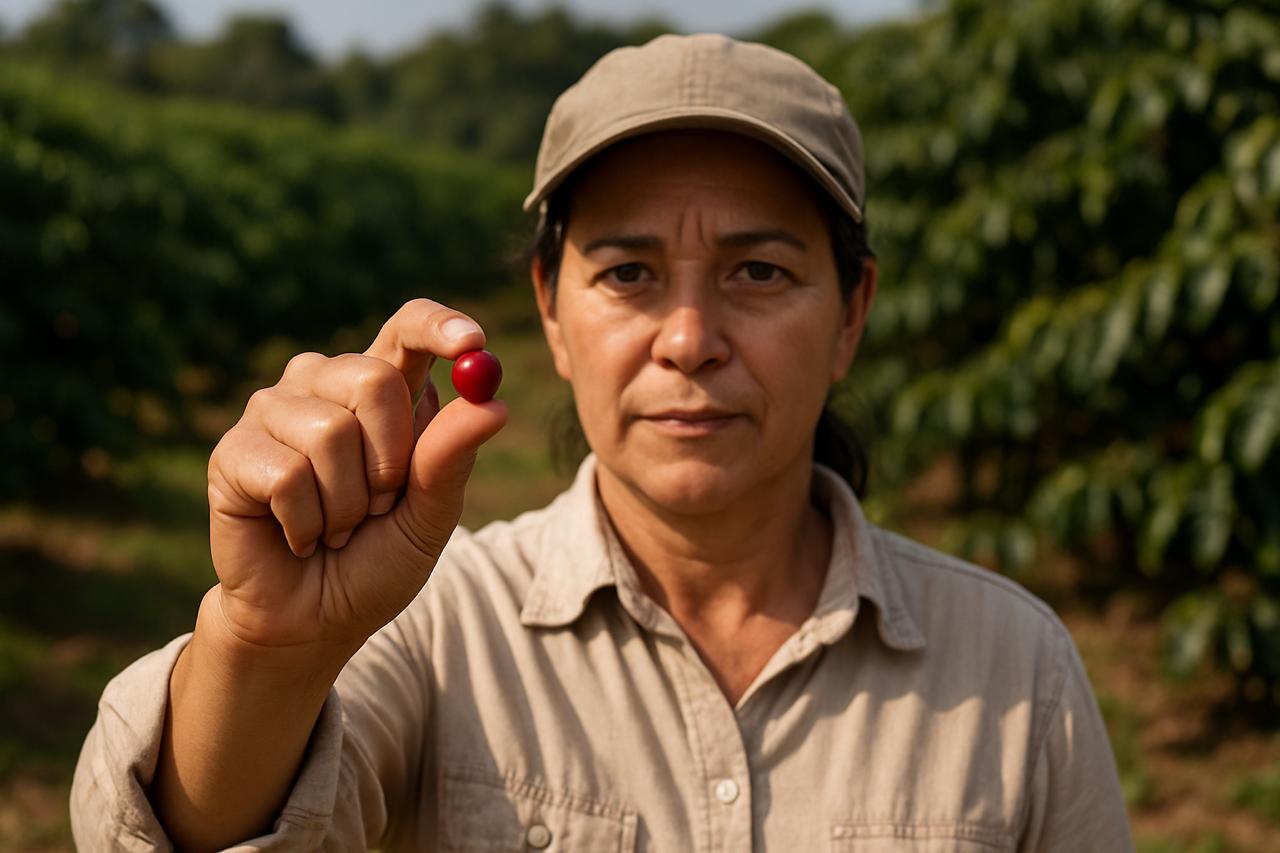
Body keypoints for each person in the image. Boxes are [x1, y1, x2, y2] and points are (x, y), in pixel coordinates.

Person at [70, 33, 1134, 851]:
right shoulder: (438, 625)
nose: (688, 340)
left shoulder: (1014, 668)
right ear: (550, 309)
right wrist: (266, 651)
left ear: (850, 311)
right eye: (626, 273)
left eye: (757, 272)